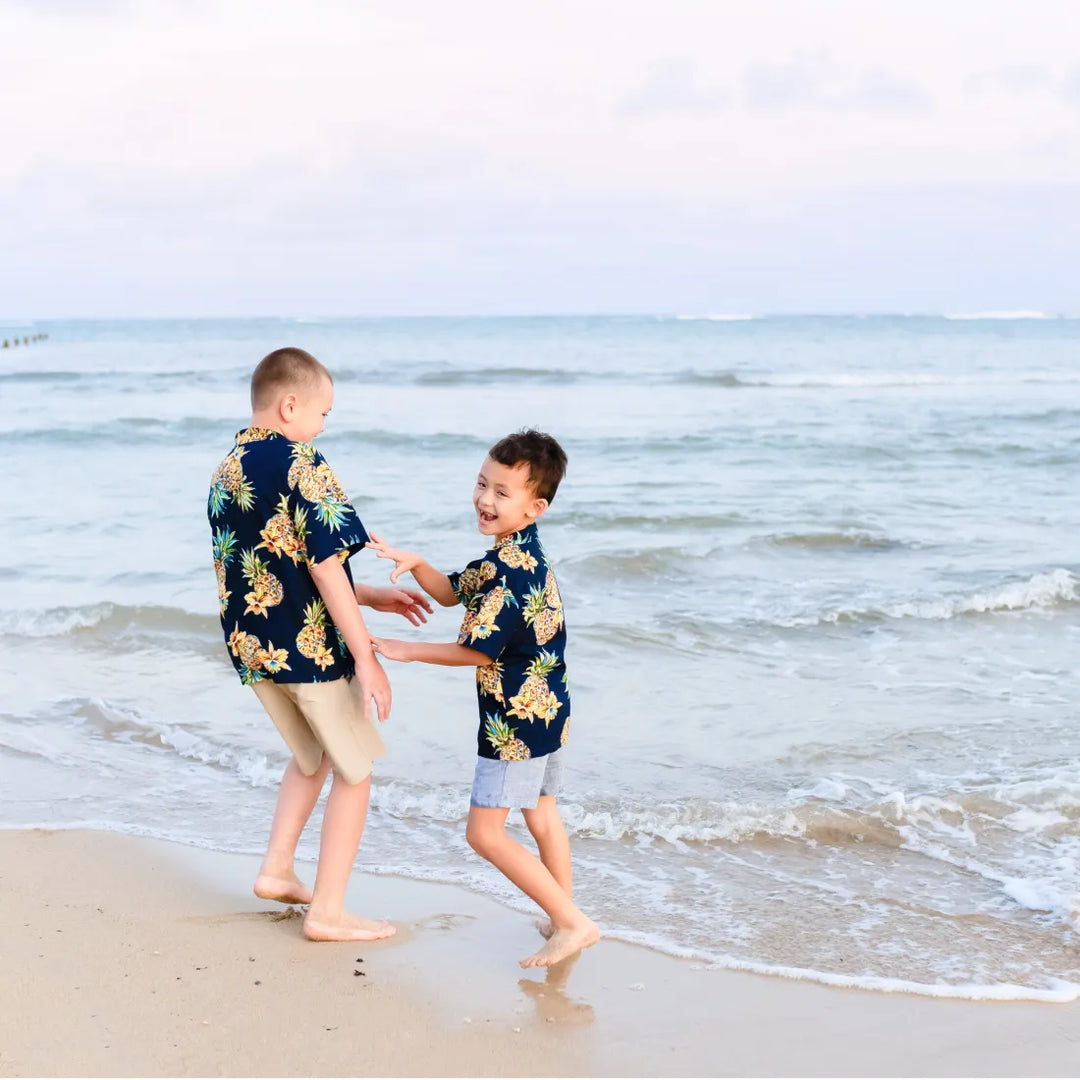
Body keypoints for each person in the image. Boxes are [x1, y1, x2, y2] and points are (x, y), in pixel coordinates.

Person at [207, 346, 433, 942]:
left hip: (254, 645)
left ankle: (278, 869)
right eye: (323, 412)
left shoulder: (227, 469)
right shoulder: (302, 461)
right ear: (289, 405)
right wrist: (366, 656)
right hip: (309, 648)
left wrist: (370, 598)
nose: (324, 425)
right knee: (356, 772)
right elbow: (326, 566)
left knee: (314, 753)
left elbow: (276, 568)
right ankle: (328, 911)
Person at [366, 429, 600, 968]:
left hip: (513, 721)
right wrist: (416, 561)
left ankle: (571, 923)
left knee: (484, 832)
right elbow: (451, 591)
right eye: (481, 484)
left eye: (502, 493)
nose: (485, 500)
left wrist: (405, 649)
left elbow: (475, 653)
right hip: (549, 706)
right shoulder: (517, 554)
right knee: (542, 814)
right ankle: (561, 914)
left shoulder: (507, 575)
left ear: (535, 507)